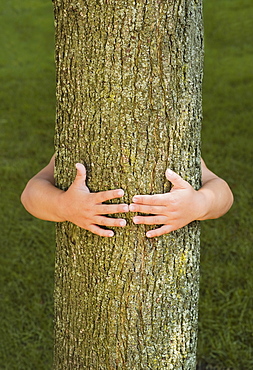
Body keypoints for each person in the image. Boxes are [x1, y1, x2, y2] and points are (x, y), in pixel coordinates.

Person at [21, 154, 233, 238]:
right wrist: (63, 205)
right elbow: (30, 194)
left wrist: (200, 203)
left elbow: (222, 192)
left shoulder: (179, 151)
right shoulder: (72, 149)